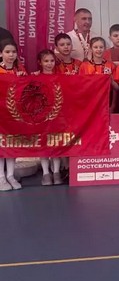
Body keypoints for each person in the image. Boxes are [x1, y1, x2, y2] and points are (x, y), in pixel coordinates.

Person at [36, 50, 63, 186]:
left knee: (56, 144)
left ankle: (56, 172)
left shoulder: (60, 77)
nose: (49, 64)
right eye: (46, 61)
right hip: (41, 117)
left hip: (57, 116)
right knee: (43, 144)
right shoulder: (35, 78)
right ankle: (46, 173)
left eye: (52, 61)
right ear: (40, 63)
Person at [0, 40, 23, 191]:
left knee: (12, 145)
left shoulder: (19, 70)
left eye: (13, 52)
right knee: (1, 145)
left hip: (14, 115)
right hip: (0, 114)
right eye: (7, 52)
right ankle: (1, 177)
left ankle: (10, 175)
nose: (11, 55)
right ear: (1, 54)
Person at [80, 37, 118, 111]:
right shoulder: (84, 66)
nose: (98, 49)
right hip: (90, 100)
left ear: (105, 49)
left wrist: (113, 105)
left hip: (107, 99)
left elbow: (117, 88)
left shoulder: (111, 66)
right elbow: (81, 88)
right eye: (95, 47)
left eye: (101, 47)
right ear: (91, 49)